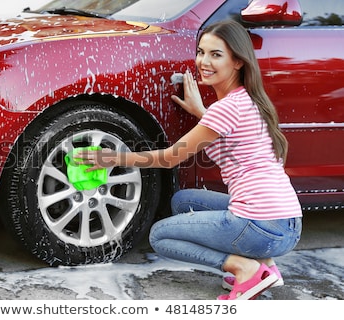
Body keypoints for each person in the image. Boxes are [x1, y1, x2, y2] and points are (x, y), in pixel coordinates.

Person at [75, 19, 302, 300]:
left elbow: (171, 158)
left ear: (238, 61)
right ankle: (267, 268)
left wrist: (110, 158)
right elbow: (229, 135)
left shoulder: (226, 109)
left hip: (260, 227)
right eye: (201, 52)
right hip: (288, 224)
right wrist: (201, 111)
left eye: (216, 55)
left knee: (161, 236)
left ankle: (244, 268)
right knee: (183, 202)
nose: (203, 62)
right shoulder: (249, 101)